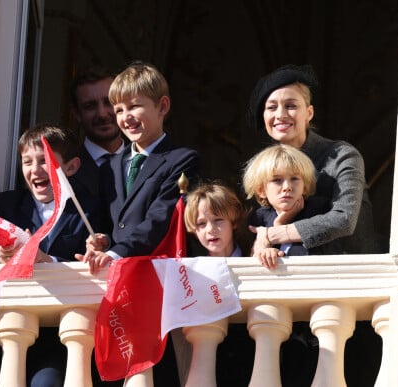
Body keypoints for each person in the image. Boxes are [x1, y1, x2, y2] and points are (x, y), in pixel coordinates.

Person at [77, 61, 201, 387]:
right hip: (117, 288)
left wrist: (117, 253)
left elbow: (160, 217)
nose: (125, 117)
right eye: (119, 109)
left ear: (162, 106)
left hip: (155, 286)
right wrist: (101, 241)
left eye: (134, 106)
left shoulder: (183, 159)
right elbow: (108, 221)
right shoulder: (112, 165)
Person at [0, 124, 103, 387]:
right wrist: (3, 257)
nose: (35, 170)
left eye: (45, 161)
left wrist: (46, 260)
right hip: (9, 325)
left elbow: (92, 265)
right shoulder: (5, 206)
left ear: (71, 168)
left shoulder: (88, 210)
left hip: (62, 333)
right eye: (28, 161)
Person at [246, 64, 377, 256]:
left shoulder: (342, 155)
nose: (280, 114)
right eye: (271, 107)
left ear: (309, 113)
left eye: (290, 106)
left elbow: (344, 219)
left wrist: (272, 235)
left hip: (348, 272)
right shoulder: (266, 166)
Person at [182, 183, 255, 386]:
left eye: (218, 220)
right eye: (201, 224)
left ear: (233, 221)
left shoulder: (254, 257)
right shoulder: (191, 273)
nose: (210, 230)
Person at [243, 143, 331, 270]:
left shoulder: (319, 210)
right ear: (261, 190)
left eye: (294, 178)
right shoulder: (258, 219)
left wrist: (279, 227)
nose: (287, 187)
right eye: (277, 180)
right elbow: (249, 264)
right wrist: (268, 250)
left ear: (305, 187)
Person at [70, 66, 127, 230]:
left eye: (109, 102)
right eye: (90, 106)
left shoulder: (146, 162)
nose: (102, 114)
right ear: (77, 114)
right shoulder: (64, 171)